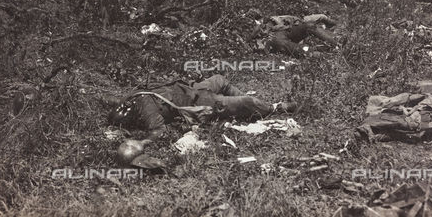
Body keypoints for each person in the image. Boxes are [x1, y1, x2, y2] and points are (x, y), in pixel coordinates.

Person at [108, 74, 297, 141]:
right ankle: (273, 108)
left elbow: (108, 99)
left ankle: (244, 104)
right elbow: (159, 131)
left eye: (123, 104)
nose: (125, 104)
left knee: (219, 79)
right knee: (247, 102)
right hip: (199, 104)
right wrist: (143, 142)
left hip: (193, 89)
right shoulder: (147, 112)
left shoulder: (131, 98)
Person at [250, 13, 340, 58]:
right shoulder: (247, 31)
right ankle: (324, 56)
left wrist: (296, 23)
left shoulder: (272, 19)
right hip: (273, 38)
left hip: (285, 29)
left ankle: (336, 44)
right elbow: (253, 44)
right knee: (283, 44)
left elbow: (292, 20)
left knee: (310, 26)